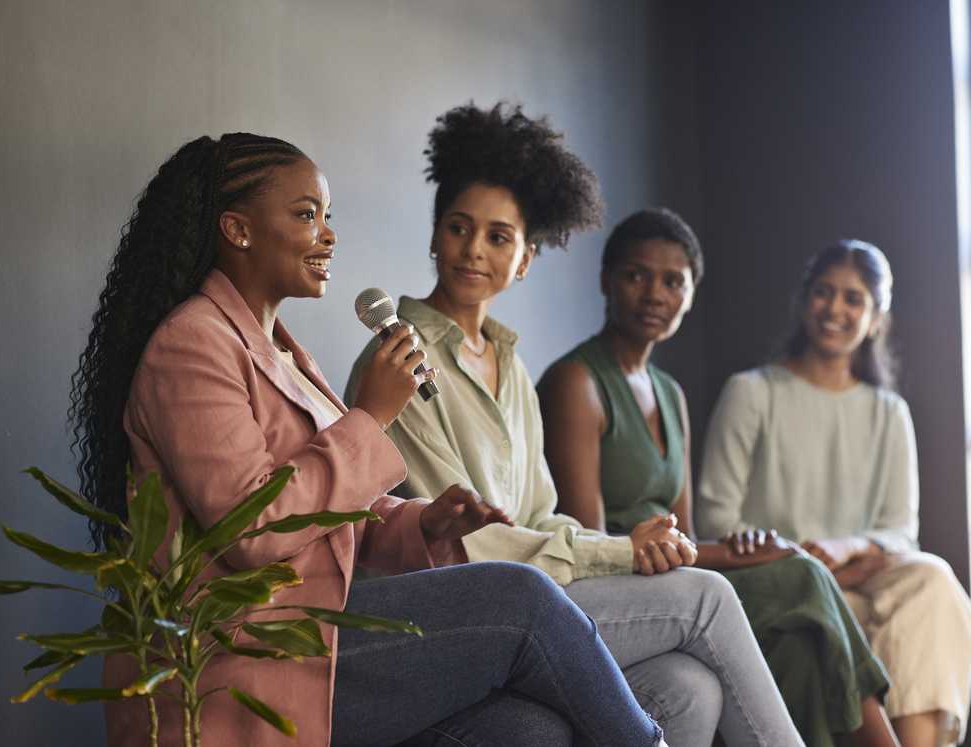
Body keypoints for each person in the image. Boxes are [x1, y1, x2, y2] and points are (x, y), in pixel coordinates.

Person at [69, 132, 669, 746]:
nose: (328, 235)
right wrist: (370, 418)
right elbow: (250, 529)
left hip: (311, 635)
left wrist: (423, 525)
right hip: (242, 657)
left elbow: (323, 510)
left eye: (328, 216)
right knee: (524, 599)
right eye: (306, 215)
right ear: (237, 229)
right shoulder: (191, 343)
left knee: (528, 731)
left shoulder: (282, 351)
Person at [347, 103, 804, 746]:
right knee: (706, 598)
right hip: (461, 614)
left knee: (686, 688)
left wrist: (633, 544)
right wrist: (620, 551)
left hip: (535, 592)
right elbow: (462, 546)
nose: (474, 250)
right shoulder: (398, 358)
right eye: (458, 228)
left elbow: (539, 516)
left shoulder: (510, 363)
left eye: (499, 237)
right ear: (433, 235)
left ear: (526, 258)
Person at [538, 208, 898, 747]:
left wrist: (740, 546)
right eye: (637, 275)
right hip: (613, 580)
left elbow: (681, 533)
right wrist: (736, 555)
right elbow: (591, 545)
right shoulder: (576, 381)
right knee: (799, 572)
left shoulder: (669, 392)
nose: (655, 294)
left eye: (673, 281)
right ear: (606, 280)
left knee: (799, 637)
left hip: (671, 573)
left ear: (690, 295)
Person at [695, 240, 971, 747]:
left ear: (874, 318)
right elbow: (718, 518)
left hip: (861, 576)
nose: (836, 308)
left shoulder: (889, 412)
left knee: (933, 582)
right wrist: (805, 563)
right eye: (825, 292)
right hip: (781, 586)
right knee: (902, 617)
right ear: (805, 301)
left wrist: (847, 548)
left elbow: (900, 530)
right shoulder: (751, 392)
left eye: (854, 298)